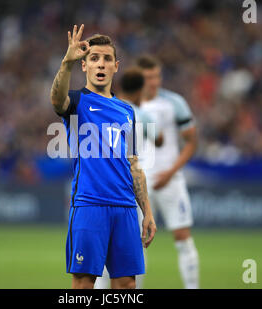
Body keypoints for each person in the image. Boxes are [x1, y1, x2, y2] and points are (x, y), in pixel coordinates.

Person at [49, 25, 157, 289]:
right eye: (94, 58)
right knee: (84, 285)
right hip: (90, 206)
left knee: (126, 286)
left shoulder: (127, 112)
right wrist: (66, 63)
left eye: (107, 59)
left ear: (115, 67)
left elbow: (134, 165)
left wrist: (148, 213)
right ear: (84, 66)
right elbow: (56, 100)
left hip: (125, 209)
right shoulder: (76, 102)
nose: (101, 64)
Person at [94, 66, 162, 289]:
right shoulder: (139, 114)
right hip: (135, 185)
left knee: (101, 249)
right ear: (140, 91)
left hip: (105, 186)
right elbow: (159, 139)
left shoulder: (105, 109)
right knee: (136, 248)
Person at [136, 55, 200, 289]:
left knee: (183, 239)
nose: (154, 81)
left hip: (170, 180)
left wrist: (171, 172)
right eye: (148, 77)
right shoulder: (126, 105)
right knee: (135, 243)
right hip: (138, 183)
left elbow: (192, 142)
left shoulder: (175, 103)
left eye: (157, 76)